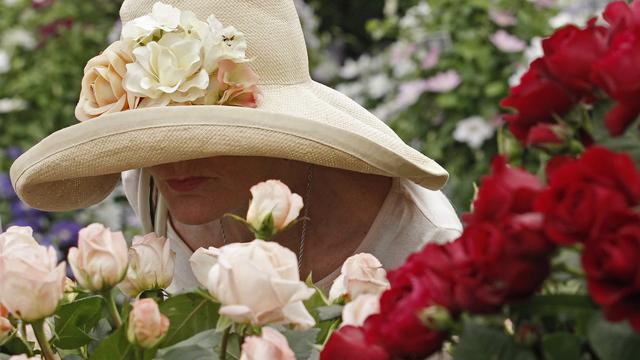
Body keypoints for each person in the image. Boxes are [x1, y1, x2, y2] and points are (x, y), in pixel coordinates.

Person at [10, 0, 462, 291]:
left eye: (208, 133)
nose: (171, 162)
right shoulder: (148, 184)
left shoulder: (425, 246)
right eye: (154, 138)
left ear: (284, 133)